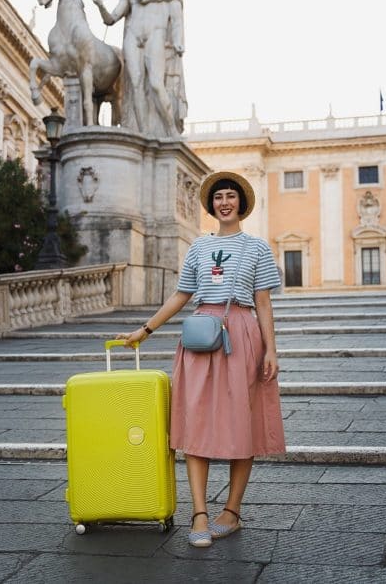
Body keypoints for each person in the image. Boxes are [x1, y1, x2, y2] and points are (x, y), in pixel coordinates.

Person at [115, 171, 285, 548]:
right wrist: (145, 330)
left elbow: (262, 302)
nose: (225, 202)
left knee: (243, 422)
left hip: (241, 334)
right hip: (199, 335)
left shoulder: (257, 248)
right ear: (212, 205)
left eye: (231, 196)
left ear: (241, 203)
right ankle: (199, 513)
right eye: (219, 197)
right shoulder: (196, 247)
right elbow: (180, 295)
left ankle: (232, 511)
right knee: (195, 422)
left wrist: (271, 349)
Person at [93, 0, 187, 136]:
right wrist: (100, 5)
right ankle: (143, 134)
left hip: (156, 35)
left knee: (155, 83)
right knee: (134, 85)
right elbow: (111, 19)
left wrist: (178, 40)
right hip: (133, 38)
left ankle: (170, 129)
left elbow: (177, 19)